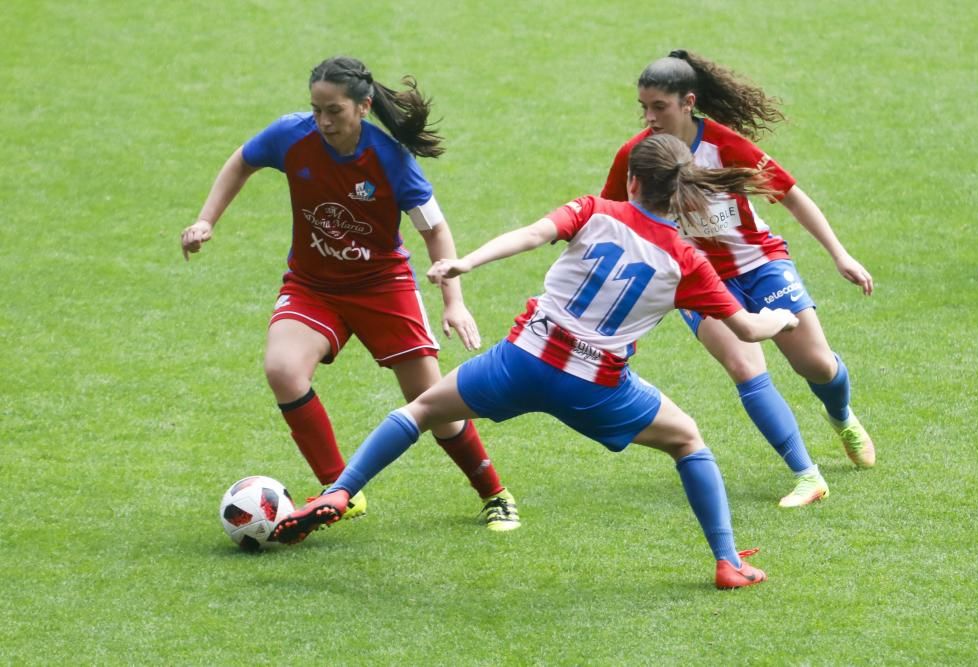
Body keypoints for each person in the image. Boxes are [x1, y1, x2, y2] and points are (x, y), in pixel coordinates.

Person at [274, 133, 802, 589]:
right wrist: (784, 320)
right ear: (676, 190)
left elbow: (529, 235)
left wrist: (464, 263)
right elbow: (749, 328)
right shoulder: (687, 260)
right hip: (596, 388)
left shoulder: (595, 209)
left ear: (634, 183)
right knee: (687, 440)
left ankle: (342, 490)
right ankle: (728, 561)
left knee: (420, 412)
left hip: (521, 361)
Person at [180, 56, 519, 531]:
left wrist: (453, 300)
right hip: (312, 286)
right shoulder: (290, 136)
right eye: (316, 109)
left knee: (434, 403)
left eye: (334, 111)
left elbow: (435, 231)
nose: (322, 121)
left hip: (383, 287)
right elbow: (243, 160)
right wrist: (205, 220)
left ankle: (494, 493)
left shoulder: (390, 160)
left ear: (362, 107)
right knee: (283, 370)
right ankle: (341, 489)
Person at [601, 50, 875, 508]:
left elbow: (790, 196)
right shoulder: (636, 155)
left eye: (659, 107)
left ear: (688, 102)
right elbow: (614, 217)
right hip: (695, 281)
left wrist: (839, 255)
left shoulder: (725, 145)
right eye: (643, 108)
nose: (649, 118)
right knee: (746, 367)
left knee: (817, 365)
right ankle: (807, 475)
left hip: (761, 265)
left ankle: (841, 413)